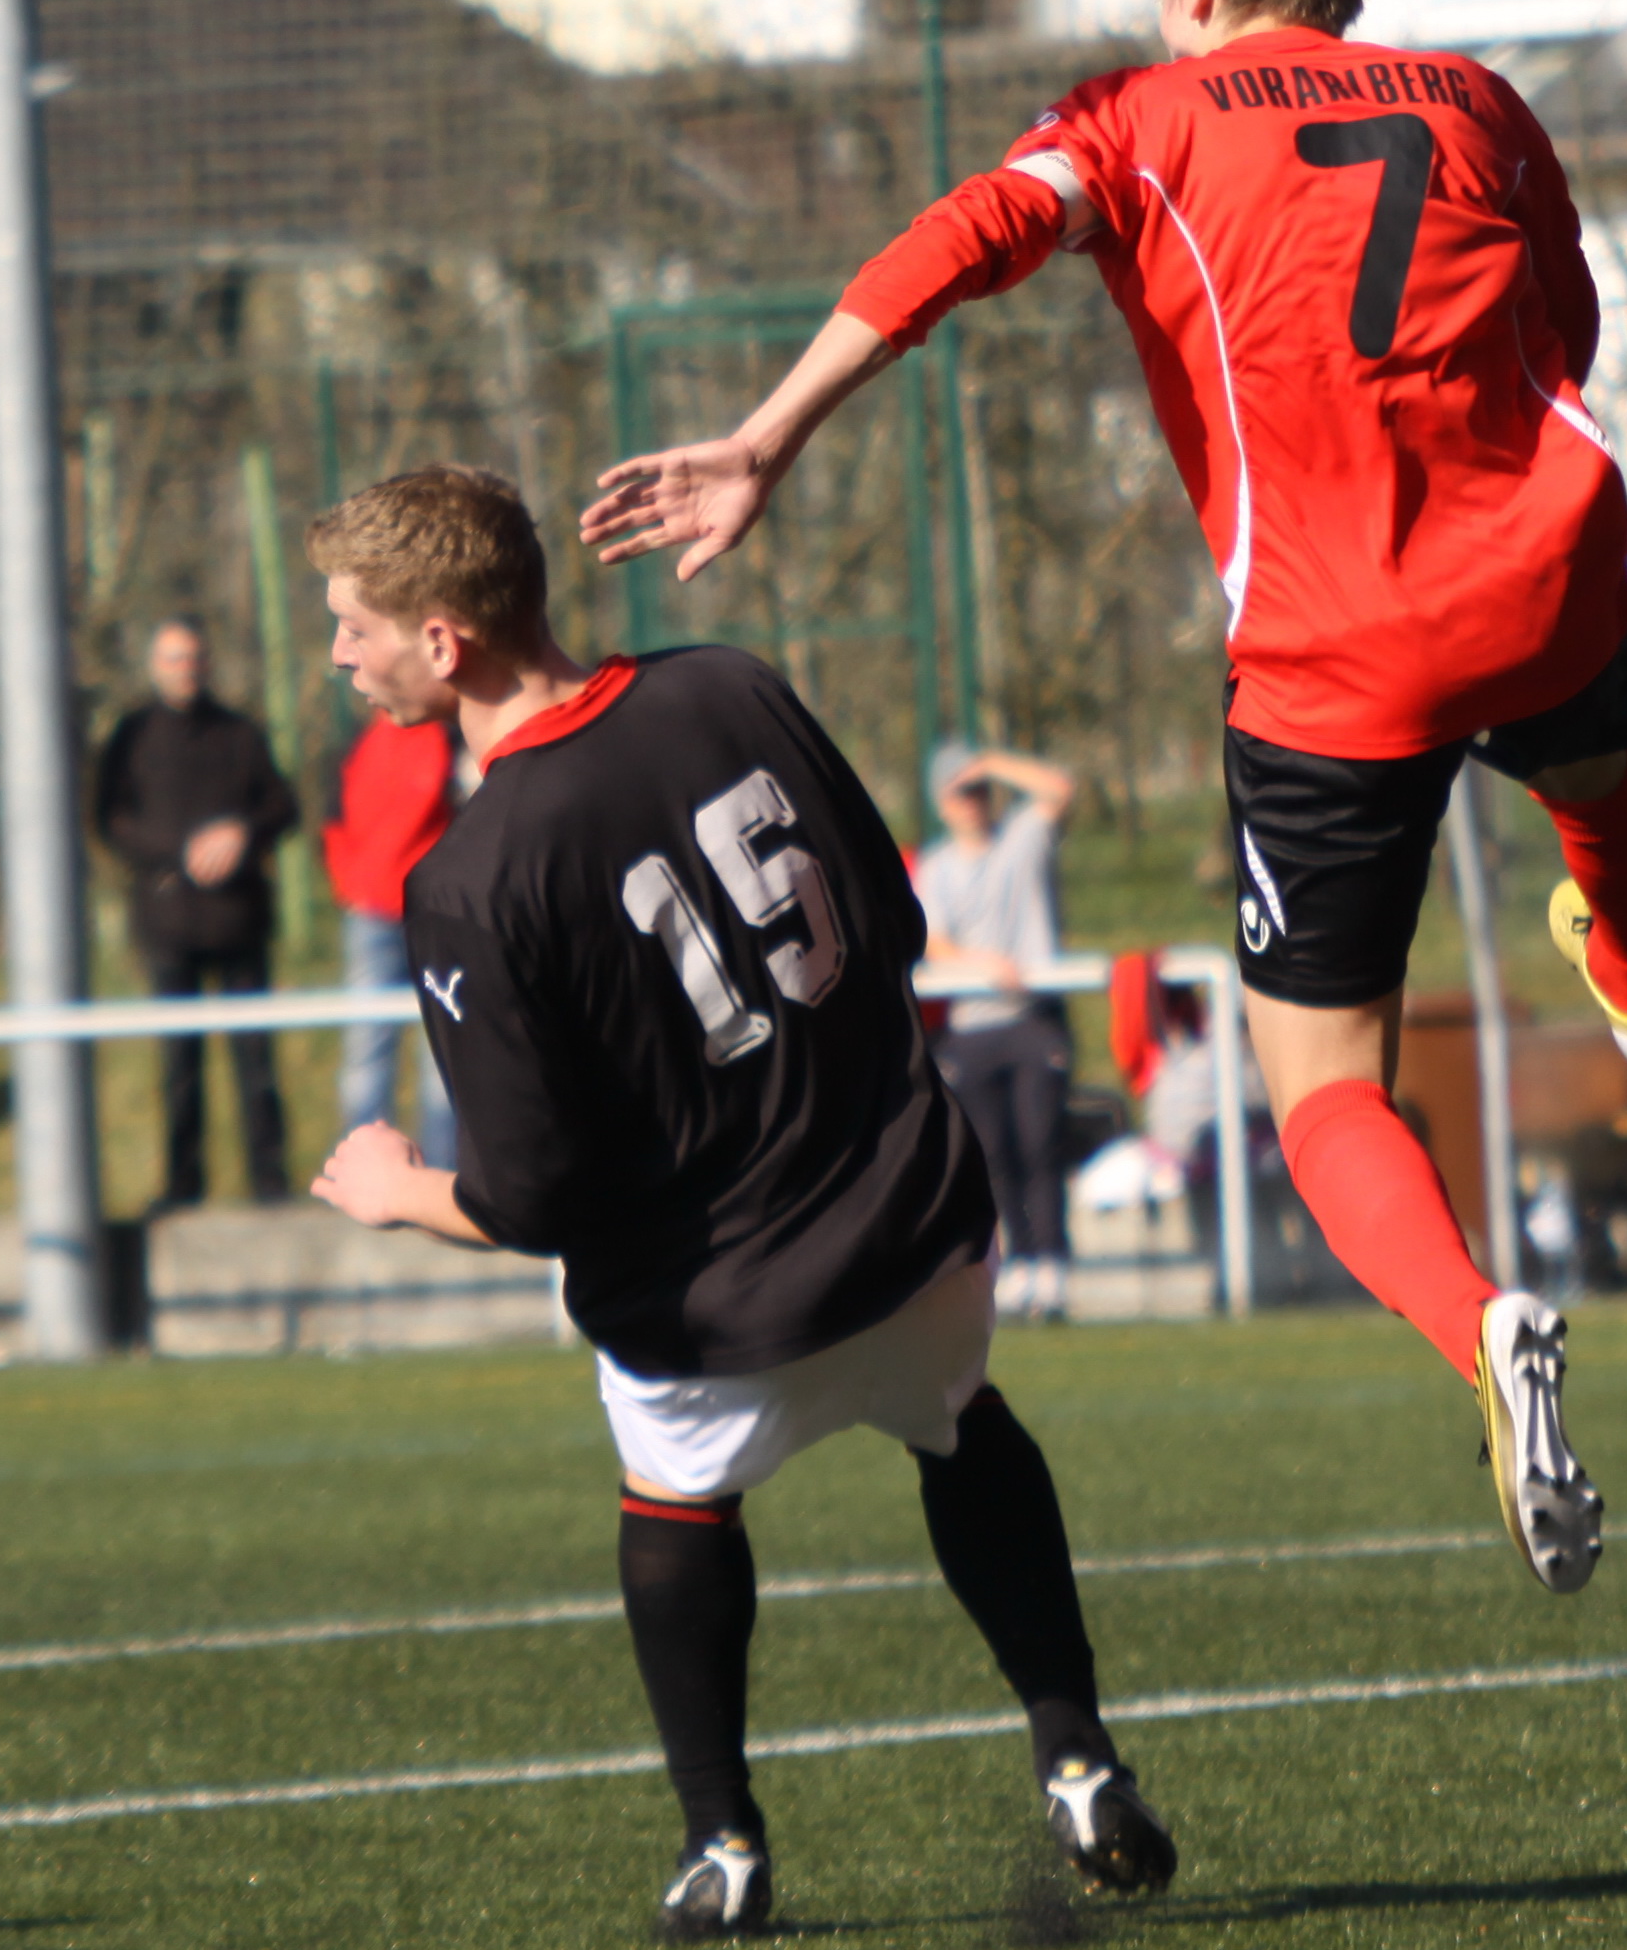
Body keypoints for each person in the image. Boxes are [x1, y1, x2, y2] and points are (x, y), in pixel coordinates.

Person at [583, 0, 1627, 1596]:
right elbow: (1570, 330)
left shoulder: (1141, 117)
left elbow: (961, 238)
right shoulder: (1478, 99)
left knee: (1324, 1089)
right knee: (1599, 764)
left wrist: (766, 434)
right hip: (1542, 570)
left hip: (1334, 654)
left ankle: (1479, 1321)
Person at [307, 465, 1173, 1937]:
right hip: (912, 1225)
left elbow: (533, 1191)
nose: (340, 653)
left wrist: (398, 1190)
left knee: (674, 1500)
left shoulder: (470, 873)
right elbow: (893, 919)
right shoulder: (731, 684)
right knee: (964, 1424)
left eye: (354, 625)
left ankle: (723, 1843)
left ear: (444, 642)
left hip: (715, 1307)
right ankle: (1076, 1752)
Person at [95, 618, 303, 1208]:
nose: (185, 670)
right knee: (178, 1064)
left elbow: (283, 805)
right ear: (153, 665)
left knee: (255, 1062)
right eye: (173, 658)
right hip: (169, 927)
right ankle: (183, 1185)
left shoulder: (239, 733)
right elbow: (110, 819)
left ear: (207, 664)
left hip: (239, 922)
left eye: (193, 658)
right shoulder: (132, 736)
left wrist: (242, 833)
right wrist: (177, 853)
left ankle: (270, 1183)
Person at [915, 742, 1079, 1320]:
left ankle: (1052, 1264)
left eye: (979, 790)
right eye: (962, 792)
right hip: (974, 1027)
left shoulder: (1022, 839)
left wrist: (990, 762)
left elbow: (1060, 789)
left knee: (1040, 1143)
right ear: (942, 803)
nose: (974, 802)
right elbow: (935, 942)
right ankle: (1021, 1263)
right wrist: (985, 966)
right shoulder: (937, 867)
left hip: (1031, 1019)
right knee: (993, 1154)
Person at [325, 709, 462, 1167]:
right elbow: (334, 819)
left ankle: (445, 1172)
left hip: (437, 912)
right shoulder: (359, 741)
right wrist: (352, 884)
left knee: (443, 1051)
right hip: (373, 913)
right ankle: (365, 1165)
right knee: (367, 1048)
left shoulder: (449, 738)